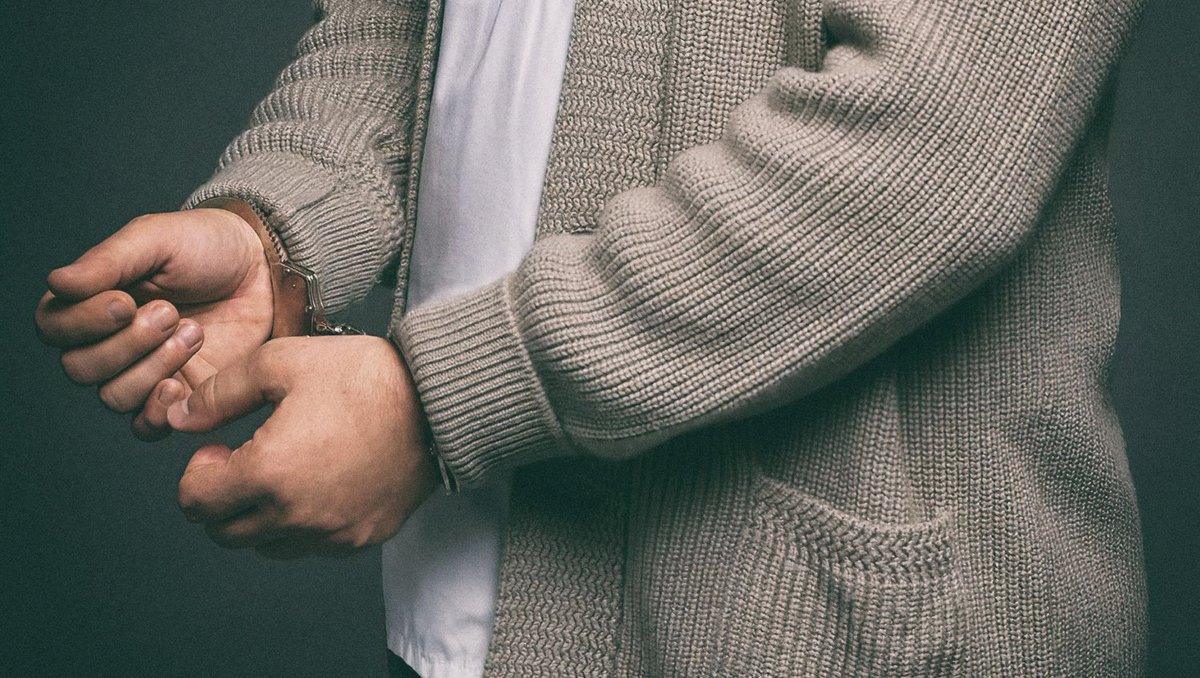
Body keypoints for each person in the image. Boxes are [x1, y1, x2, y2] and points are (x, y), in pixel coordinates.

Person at [34, 0, 1150, 674]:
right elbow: (405, 17)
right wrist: (285, 225)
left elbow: (935, 138)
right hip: (472, 606)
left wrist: (438, 403)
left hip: (814, 635)